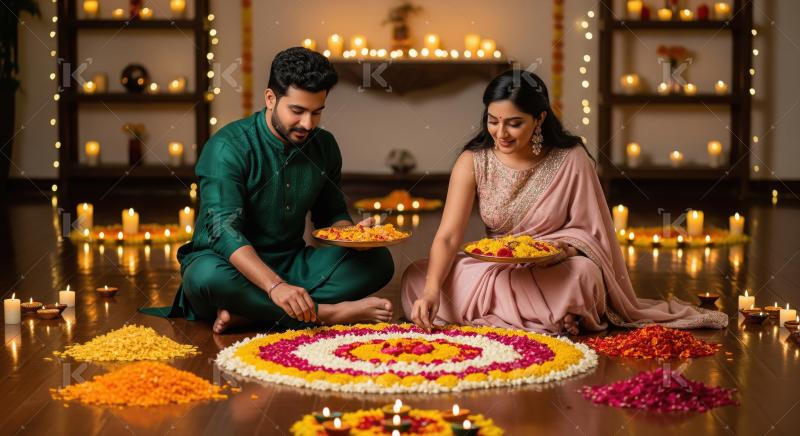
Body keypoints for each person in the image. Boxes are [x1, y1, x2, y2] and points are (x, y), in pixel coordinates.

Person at [402, 69, 727, 335]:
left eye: (514, 123)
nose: (501, 133)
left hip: (554, 269)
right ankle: (556, 318)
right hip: (494, 269)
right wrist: (431, 291)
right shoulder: (474, 161)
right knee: (417, 277)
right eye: (493, 120)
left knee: (584, 275)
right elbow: (448, 236)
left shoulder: (571, 158)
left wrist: (563, 251)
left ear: (539, 119)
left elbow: (592, 233)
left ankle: (538, 315)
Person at [141, 47, 394, 333]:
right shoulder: (227, 147)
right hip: (229, 266)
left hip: (292, 264)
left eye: (317, 112)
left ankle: (252, 313)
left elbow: (331, 215)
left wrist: (354, 237)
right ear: (270, 98)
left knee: (378, 261)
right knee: (205, 277)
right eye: (297, 111)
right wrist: (275, 286)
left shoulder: (324, 146)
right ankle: (325, 313)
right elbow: (223, 231)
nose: (307, 124)